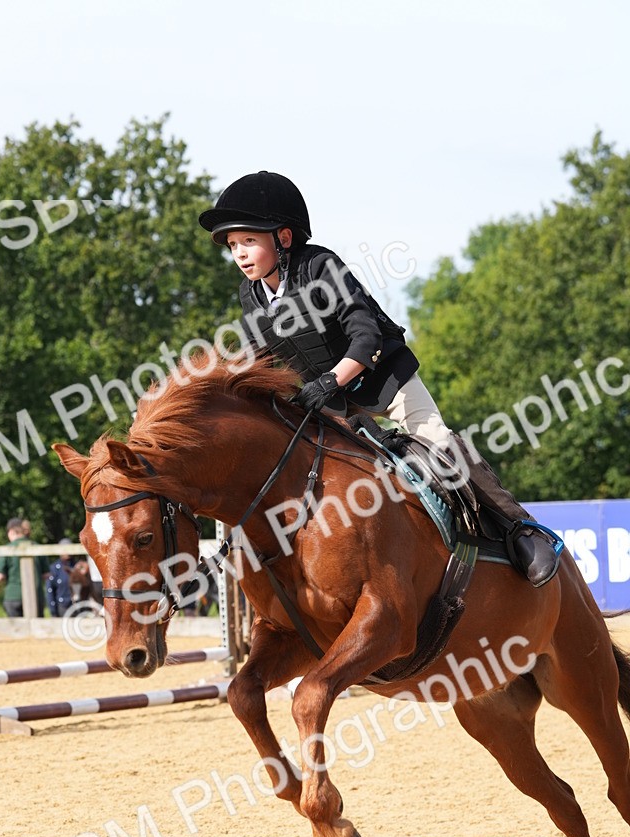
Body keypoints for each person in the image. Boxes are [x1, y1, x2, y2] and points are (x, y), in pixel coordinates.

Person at [198, 171, 559, 587]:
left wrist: (332, 380)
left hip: (381, 377)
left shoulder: (320, 266)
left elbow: (364, 332)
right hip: (327, 402)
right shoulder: (251, 295)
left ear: (282, 238)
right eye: (232, 246)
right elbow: (262, 358)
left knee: (438, 442)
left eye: (248, 242)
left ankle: (521, 530)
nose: (240, 255)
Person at [0, 518, 48, 617]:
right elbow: (46, 575)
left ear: (11, 531)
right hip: (36, 596)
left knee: (16, 630)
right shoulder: (37, 547)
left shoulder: (7, 548)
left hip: (14, 596)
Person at [46, 538, 74, 617]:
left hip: (76, 607)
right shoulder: (54, 568)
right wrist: (53, 611)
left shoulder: (77, 567)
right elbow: (50, 591)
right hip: (62, 606)